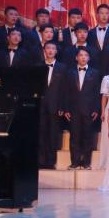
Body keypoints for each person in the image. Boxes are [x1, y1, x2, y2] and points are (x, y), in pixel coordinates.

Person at [64, 47, 101, 169]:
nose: (83, 57)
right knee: (74, 136)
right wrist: (66, 109)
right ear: (76, 57)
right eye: (81, 55)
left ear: (89, 58)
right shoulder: (70, 72)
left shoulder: (95, 73)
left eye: (86, 55)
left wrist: (96, 109)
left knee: (87, 136)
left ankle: (86, 163)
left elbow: (97, 92)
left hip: (89, 109)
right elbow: (66, 92)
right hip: (73, 109)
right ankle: (74, 162)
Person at [38, 41, 68, 169]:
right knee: (41, 133)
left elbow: (65, 89)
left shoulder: (63, 68)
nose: (50, 50)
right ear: (44, 50)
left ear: (56, 51)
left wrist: (62, 106)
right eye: (48, 48)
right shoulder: (38, 66)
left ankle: (51, 162)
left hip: (55, 106)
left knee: (53, 133)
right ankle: (40, 161)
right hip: (40, 106)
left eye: (53, 48)